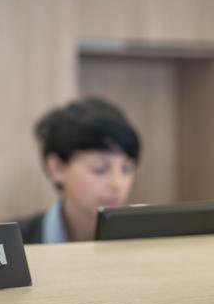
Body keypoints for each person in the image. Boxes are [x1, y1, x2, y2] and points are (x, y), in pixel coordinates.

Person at [14, 97, 141, 244]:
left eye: (126, 169)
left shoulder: (145, 241)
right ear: (57, 168)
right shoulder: (12, 242)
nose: (117, 184)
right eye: (100, 169)